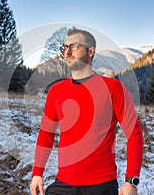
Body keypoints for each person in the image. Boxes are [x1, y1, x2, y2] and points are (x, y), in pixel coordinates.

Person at [30, 27, 143, 195]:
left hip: (101, 186)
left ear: (91, 51)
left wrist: (131, 180)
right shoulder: (56, 91)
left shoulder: (113, 88)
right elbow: (46, 134)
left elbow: (134, 133)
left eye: (74, 46)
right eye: (65, 47)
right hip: (64, 184)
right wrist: (37, 173)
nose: (67, 51)